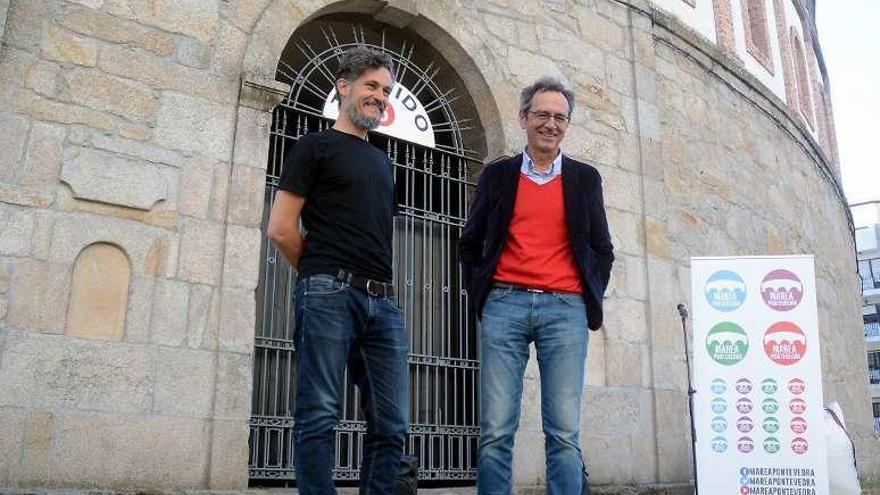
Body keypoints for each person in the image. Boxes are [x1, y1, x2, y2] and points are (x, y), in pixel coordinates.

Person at [459, 77, 614, 495]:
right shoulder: (498, 176)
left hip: (565, 310)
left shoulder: (585, 179)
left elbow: (603, 249)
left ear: (567, 124)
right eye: (542, 114)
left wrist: (586, 296)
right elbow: (470, 242)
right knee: (495, 429)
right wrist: (484, 295)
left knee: (564, 433)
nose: (551, 124)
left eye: (560, 117)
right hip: (504, 305)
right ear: (524, 117)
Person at [266, 46, 407, 495]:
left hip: (383, 302)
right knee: (320, 414)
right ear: (343, 87)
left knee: (392, 424)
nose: (379, 96)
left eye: (385, 90)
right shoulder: (314, 146)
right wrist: (318, 275)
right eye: (371, 86)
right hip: (329, 291)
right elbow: (281, 229)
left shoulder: (384, 161)